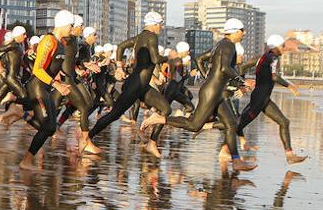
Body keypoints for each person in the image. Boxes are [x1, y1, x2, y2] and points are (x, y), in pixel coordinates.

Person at [164, 18, 257, 171]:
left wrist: (207, 77)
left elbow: (201, 59)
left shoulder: (220, 45)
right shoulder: (228, 46)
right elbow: (225, 68)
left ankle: (236, 160)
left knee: (231, 124)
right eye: (242, 30)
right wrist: (242, 81)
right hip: (213, 91)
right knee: (194, 125)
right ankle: (160, 119)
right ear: (235, 31)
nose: (244, 33)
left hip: (216, 90)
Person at [82, 12, 164, 155]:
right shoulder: (152, 36)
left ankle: (152, 143)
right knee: (114, 114)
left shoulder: (140, 37)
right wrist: (170, 58)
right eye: (160, 24)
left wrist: (119, 67)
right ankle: (87, 138)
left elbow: (120, 47)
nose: (161, 27)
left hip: (141, 85)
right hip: (137, 85)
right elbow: (156, 59)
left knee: (165, 109)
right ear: (155, 24)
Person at [237, 35, 308, 165]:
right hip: (259, 99)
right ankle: (208, 126)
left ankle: (290, 156)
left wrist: (242, 84)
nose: (284, 49)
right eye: (283, 46)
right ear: (275, 47)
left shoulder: (262, 57)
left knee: (284, 122)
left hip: (263, 98)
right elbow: (274, 77)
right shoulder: (273, 58)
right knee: (237, 125)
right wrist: (289, 86)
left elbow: (242, 67)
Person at [21, 10, 76, 170]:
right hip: (37, 86)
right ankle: (26, 161)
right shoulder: (48, 41)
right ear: (63, 24)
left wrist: (60, 79)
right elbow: (37, 69)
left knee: (51, 127)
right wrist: (56, 84)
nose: (72, 30)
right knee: (48, 127)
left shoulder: (61, 44)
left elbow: (53, 67)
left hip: (46, 87)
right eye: (71, 26)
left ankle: (27, 158)